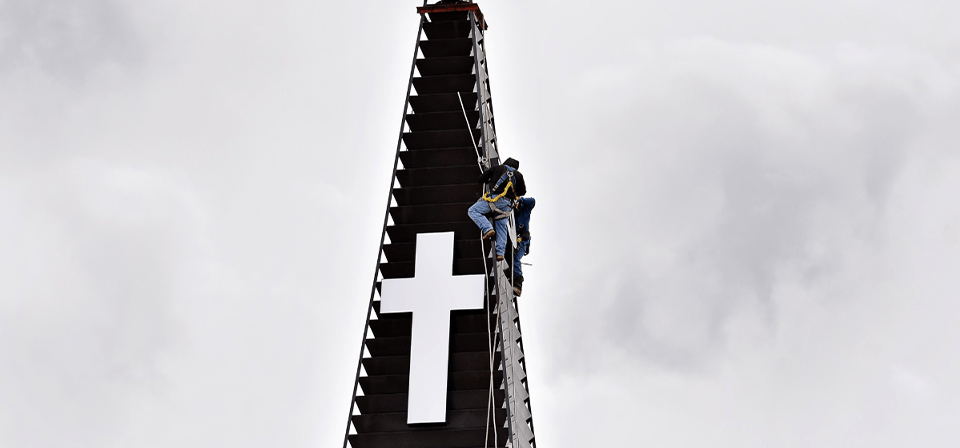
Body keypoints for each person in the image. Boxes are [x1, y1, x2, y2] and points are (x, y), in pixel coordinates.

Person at [467, 157, 526, 262]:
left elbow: (481, 179)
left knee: (473, 211)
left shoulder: (497, 168)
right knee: (501, 227)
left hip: (494, 199)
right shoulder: (518, 176)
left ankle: (488, 229)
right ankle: (500, 253)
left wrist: (490, 179)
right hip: (507, 205)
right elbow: (522, 192)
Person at [505, 197, 535, 296]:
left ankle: (518, 284)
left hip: (522, 241)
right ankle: (510, 276)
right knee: (509, 257)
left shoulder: (524, 210)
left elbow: (532, 201)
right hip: (513, 241)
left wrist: (520, 200)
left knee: (515, 258)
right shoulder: (511, 212)